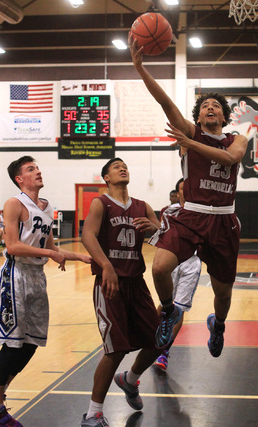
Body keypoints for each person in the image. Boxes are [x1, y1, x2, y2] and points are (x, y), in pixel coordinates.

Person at [130, 32, 248, 357]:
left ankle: (219, 325)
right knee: (158, 269)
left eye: (216, 106)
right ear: (197, 117)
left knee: (223, 294)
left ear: (224, 117)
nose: (210, 108)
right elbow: (166, 102)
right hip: (192, 215)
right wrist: (140, 68)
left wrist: (190, 143)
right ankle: (168, 311)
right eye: (205, 106)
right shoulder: (189, 130)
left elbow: (230, 159)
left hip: (224, 221)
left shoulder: (238, 139)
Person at [0, 156, 91, 427]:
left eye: (38, 167)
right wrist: (50, 254)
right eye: (31, 169)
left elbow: (54, 248)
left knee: (31, 343)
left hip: (37, 277)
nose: (38, 171)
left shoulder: (46, 206)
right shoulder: (13, 204)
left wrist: (83, 257)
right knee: (13, 343)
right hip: (15, 275)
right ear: (20, 178)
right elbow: (14, 246)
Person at [80, 158, 162, 427]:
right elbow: (88, 236)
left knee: (158, 341)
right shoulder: (100, 203)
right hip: (110, 284)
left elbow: (163, 237)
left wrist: (157, 230)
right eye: (116, 167)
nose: (123, 168)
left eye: (125, 165)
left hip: (136, 282)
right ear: (106, 178)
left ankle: (129, 380)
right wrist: (106, 267)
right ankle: (93, 413)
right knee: (115, 349)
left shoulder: (142, 206)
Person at [153, 178, 203, 372]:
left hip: (191, 263)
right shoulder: (169, 211)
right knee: (166, 304)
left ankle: (164, 351)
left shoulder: (201, 210)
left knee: (179, 309)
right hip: (171, 260)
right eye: (183, 187)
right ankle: (152, 335)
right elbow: (162, 236)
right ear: (178, 191)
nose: (187, 190)